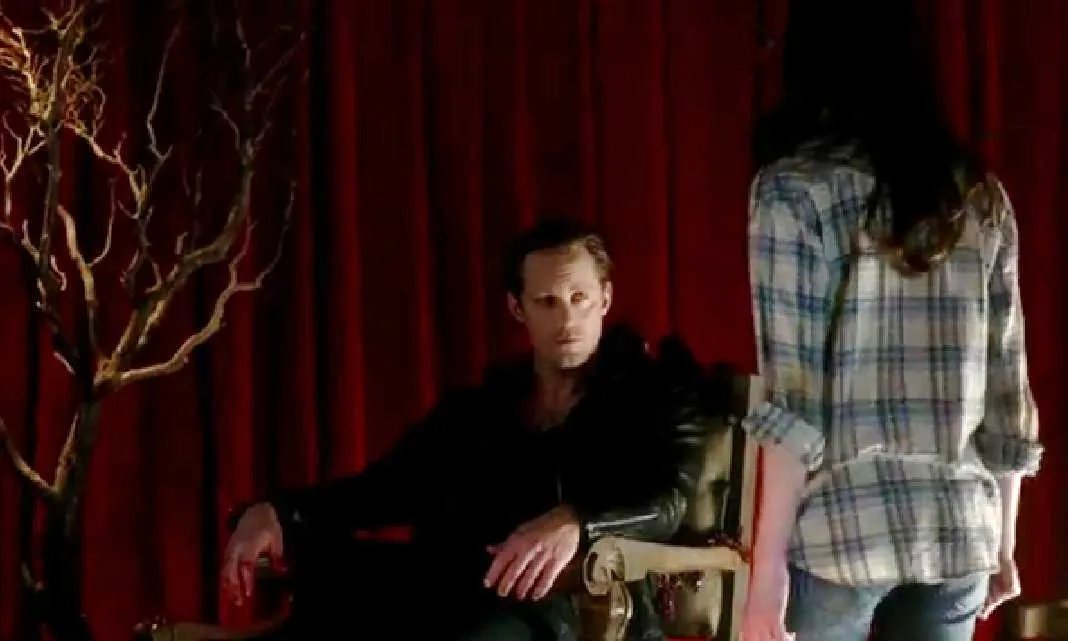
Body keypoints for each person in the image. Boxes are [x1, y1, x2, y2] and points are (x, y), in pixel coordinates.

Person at [221, 217, 707, 640]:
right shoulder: (488, 404)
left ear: (605, 297)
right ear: (518, 308)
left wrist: (576, 522)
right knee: (332, 588)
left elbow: (667, 501)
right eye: (547, 301)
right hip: (465, 587)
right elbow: (388, 487)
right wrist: (279, 510)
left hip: (571, 606)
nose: (567, 319)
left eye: (579, 298)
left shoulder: (652, 392)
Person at [740, 1, 1044, 640]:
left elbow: (792, 404)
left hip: (841, 527)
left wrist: (765, 571)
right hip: (959, 527)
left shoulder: (791, 191)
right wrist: (1004, 542)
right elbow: (1008, 391)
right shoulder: (978, 194)